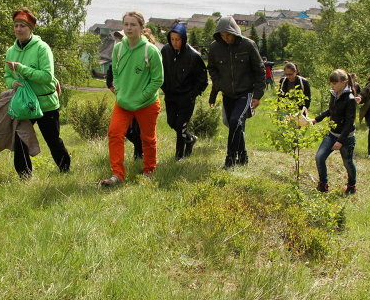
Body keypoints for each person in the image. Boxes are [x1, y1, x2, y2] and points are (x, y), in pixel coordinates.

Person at [99, 11, 164, 186]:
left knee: (147, 138)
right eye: (126, 24)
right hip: (124, 102)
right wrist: (120, 92)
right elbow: (116, 73)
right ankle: (117, 175)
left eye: (133, 24)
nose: (129, 28)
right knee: (114, 134)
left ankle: (149, 170)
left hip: (147, 103)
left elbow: (158, 79)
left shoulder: (150, 50)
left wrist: (141, 97)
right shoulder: (118, 48)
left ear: (141, 28)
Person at [3, 8, 70, 178]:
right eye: (16, 26)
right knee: (20, 140)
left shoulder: (42, 48)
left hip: (46, 103)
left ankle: (65, 170)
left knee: (52, 140)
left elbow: (47, 77)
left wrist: (22, 69)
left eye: (22, 26)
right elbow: (7, 76)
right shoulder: (11, 51)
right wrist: (12, 83)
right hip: (25, 104)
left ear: (31, 28)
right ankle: (25, 176)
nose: (18, 29)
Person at [207, 16, 265, 168]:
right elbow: (212, 68)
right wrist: (217, 88)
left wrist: (258, 95)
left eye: (228, 35)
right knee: (235, 125)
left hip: (245, 93)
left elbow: (260, 71)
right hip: (227, 94)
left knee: (235, 121)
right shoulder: (214, 47)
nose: (225, 38)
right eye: (222, 35)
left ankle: (230, 159)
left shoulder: (248, 45)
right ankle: (243, 156)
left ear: (235, 32)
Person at [160, 22, 209, 160]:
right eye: (172, 39)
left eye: (178, 39)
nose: (174, 42)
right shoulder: (165, 51)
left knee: (180, 125)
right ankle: (191, 139)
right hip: (170, 96)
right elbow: (160, 72)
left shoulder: (194, 56)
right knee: (172, 123)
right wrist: (164, 88)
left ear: (184, 39)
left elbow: (202, 80)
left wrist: (191, 95)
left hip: (186, 98)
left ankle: (179, 157)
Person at [311, 69, 357, 194]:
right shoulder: (334, 94)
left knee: (348, 163)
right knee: (319, 157)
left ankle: (352, 185)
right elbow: (331, 110)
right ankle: (323, 184)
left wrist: (340, 141)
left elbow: (349, 122)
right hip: (332, 134)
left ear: (344, 82)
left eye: (334, 83)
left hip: (346, 137)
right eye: (331, 83)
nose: (332, 86)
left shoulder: (350, 99)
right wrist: (316, 119)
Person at [106, 30, 142, 160]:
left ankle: (139, 154)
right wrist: (112, 87)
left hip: (140, 98)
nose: (119, 40)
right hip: (124, 98)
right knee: (126, 129)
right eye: (118, 38)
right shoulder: (118, 53)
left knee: (138, 128)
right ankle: (139, 148)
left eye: (121, 37)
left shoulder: (141, 52)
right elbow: (110, 73)